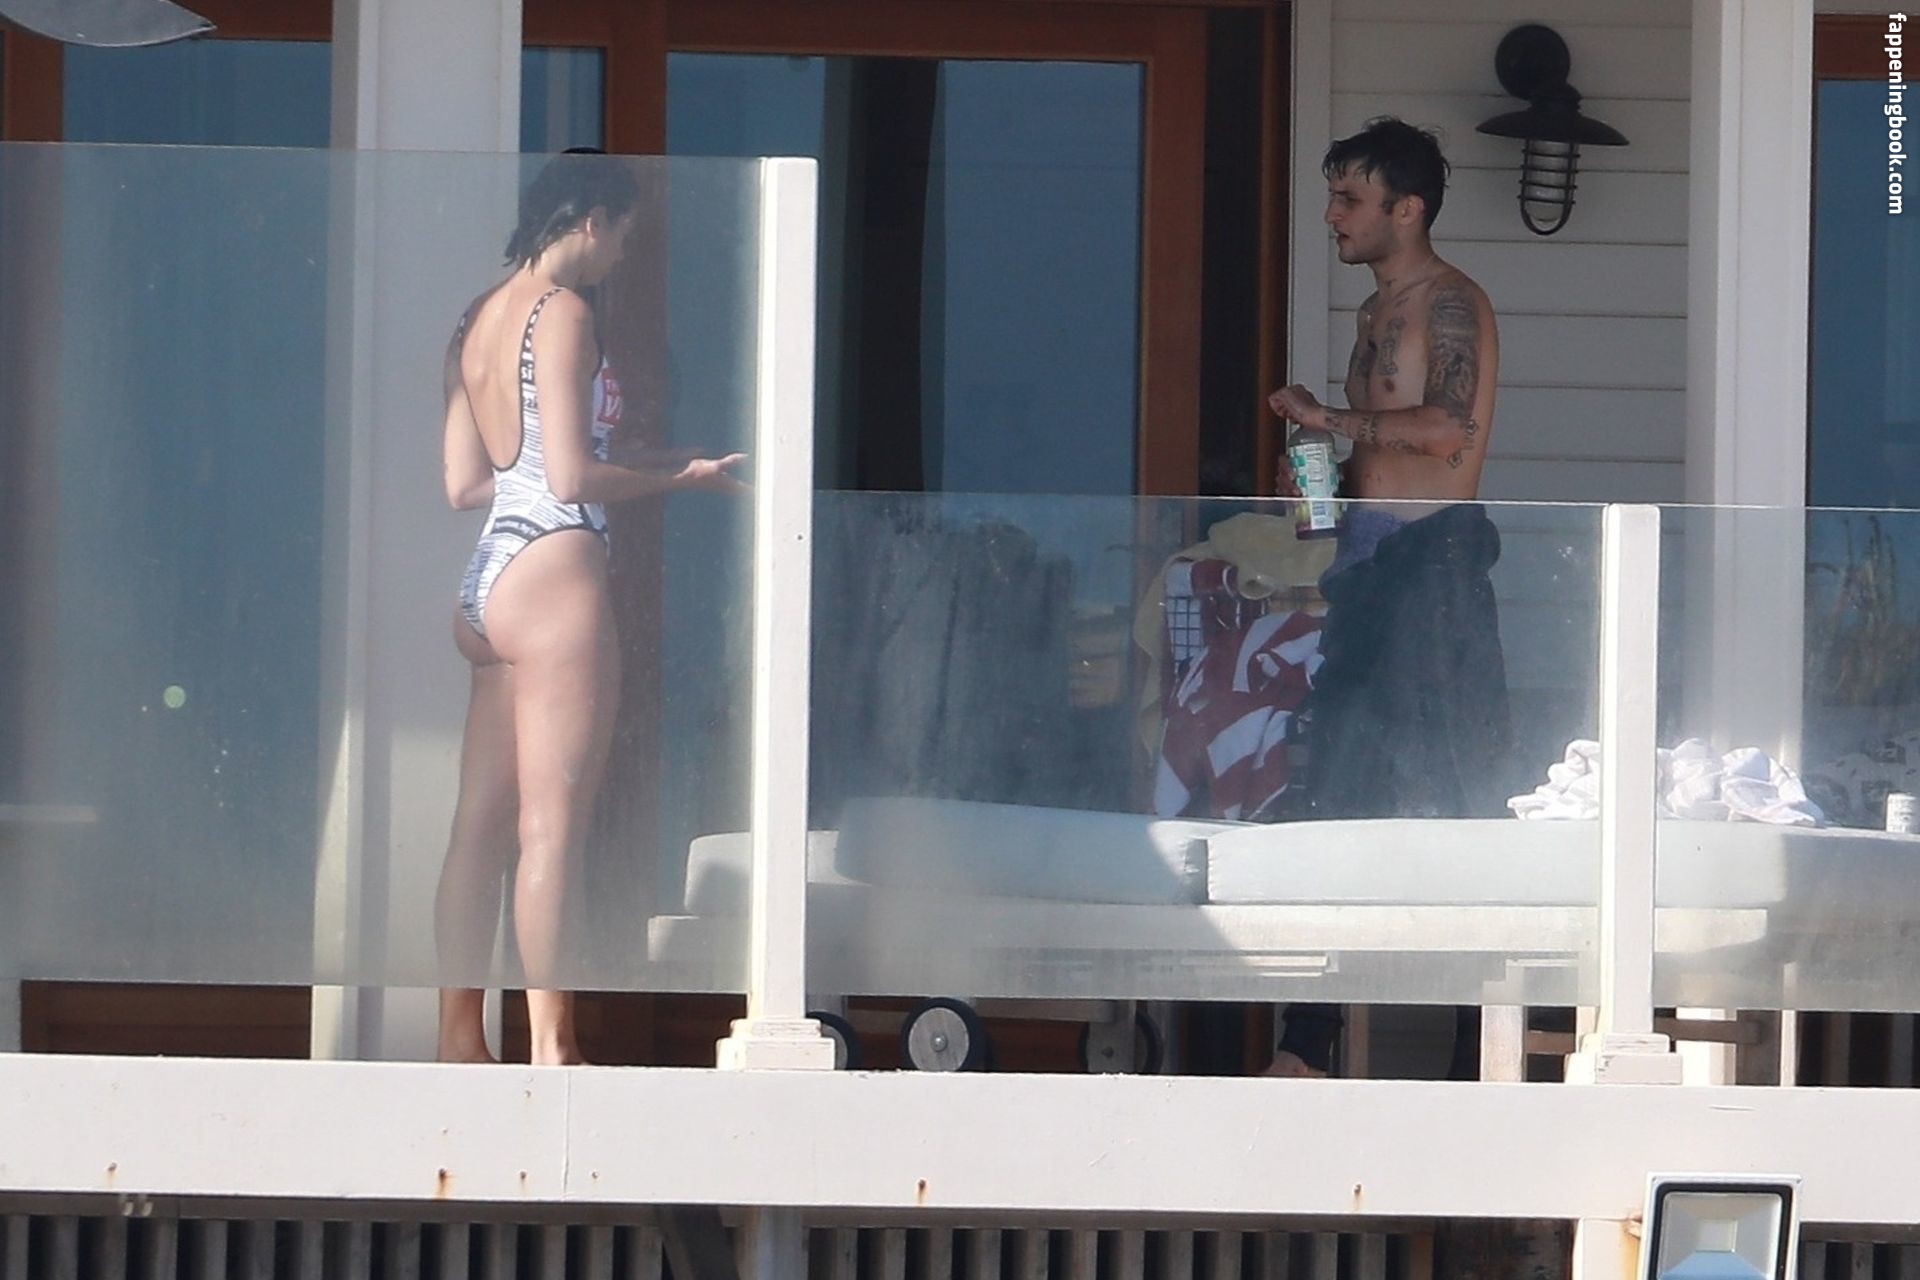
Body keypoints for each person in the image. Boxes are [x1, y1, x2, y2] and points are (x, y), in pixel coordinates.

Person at [435, 152, 746, 1065]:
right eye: (623, 234)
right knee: (551, 829)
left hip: (491, 573)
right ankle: (553, 1045)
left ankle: (459, 1040)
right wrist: (678, 483)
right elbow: (571, 478)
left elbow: (466, 484)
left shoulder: (477, 319)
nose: (620, 255)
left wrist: (669, 460)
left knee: (477, 830)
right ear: (589, 219)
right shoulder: (563, 313)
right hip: (557, 570)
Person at [1265, 117, 1508, 1080]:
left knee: (1454, 801)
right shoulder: (1375, 313)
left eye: (1350, 199)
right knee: (1337, 792)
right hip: (1365, 569)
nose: (1332, 216)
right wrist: (1314, 472)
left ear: (1406, 209)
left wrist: (1331, 416)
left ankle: (1477, 1061)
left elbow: (1449, 431)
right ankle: (1307, 1044)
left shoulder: (1449, 303)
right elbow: (1373, 457)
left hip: (1433, 570)